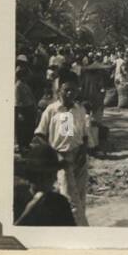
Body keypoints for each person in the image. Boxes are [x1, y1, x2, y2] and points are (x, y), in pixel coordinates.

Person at [33, 78, 91, 224]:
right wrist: (55, 155)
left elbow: (84, 135)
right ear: (59, 92)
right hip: (61, 158)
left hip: (79, 157)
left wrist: (83, 153)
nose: (70, 93)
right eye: (66, 90)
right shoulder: (52, 110)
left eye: (73, 90)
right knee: (70, 198)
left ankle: (74, 224)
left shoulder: (79, 110)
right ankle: (80, 229)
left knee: (81, 196)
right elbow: (39, 135)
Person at [13, 142, 77, 226]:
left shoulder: (59, 203)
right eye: (49, 175)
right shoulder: (16, 199)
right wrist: (30, 209)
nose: (54, 179)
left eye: (54, 174)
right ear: (34, 176)